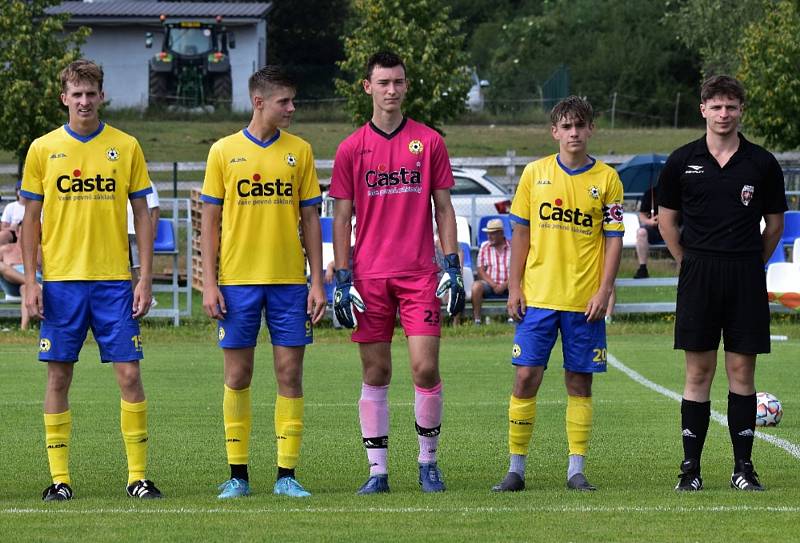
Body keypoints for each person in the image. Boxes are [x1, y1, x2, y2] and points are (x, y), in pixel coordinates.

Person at [20, 59, 159, 501]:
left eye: (90, 93)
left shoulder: (126, 146)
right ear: (64, 98)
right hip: (61, 282)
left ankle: (137, 477)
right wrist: (30, 282)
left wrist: (145, 277)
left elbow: (143, 211)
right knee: (58, 377)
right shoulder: (43, 149)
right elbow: (30, 219)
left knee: (129, 375)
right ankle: (59, 481)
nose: (83, 101)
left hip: (114, 281)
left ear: (102, 96)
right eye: (76, 93)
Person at [329, 51, 465, 494]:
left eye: (399, 82)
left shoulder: (429, 142)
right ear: (367, 87)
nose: (392, 89)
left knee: (425, 368)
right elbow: (342, 216)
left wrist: (453, 265)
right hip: (368, 278)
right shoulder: (351, 148)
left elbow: (444, 208)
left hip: (419, 275)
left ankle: (428, 463)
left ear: (406, 86)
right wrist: (342, 276)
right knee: (376, 372)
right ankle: (378, 472)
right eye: (383, 82)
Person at [200, 65, 326, 499]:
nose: (292, 108)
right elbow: (210, 222)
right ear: (259, 102)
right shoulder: (223, 152)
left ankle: (286, 475)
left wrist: (317, 281)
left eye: (293, 101)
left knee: (290, 374)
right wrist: (209, 282)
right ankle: (238, 475)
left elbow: (311, 218)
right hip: (236, 283)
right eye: (284, 102)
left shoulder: (301, 152)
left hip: (290, 282)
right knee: (237, 376)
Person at [658, 75, 787, 492]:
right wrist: (688, 262)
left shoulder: (762, 162)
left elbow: (774, 225)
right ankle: (690, 470)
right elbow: (666, 221)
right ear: (703, 110)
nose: (724, 114)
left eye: (731, 106)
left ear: (740, 110)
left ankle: (743, 469)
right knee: (698, 371)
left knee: (740, 371)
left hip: (745, 274)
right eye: (716, 106)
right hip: (699, 273)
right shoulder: (681, 160)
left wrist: (751, 264)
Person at [492, 96, 624, 493]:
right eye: (566, 126)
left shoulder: (608, 180)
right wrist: (514, 287)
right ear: (554, 132)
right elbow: (520, 233)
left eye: (580, 126)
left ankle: (576, 470)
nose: (574, 133)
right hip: (538, 298)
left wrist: (605, 289)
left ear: (591, 130)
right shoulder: (534, 174)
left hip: (585, 303)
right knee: (525, 377)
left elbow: (614, 241)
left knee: (579, 383)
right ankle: (516, 469)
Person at [0, 222, 42, 329]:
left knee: (25, 288)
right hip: (11, 282)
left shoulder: (40, 250)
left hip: (35, 281)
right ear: (17, 233)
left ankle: (24, 328)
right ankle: (31, 283)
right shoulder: (5, 249)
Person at [472, 218, 510, 324]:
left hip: (509, 283)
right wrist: (493, 285)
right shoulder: (484, 246)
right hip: (490, 284)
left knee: (517, 284)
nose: (489, 236)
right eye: (488, 233)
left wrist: (504, 285)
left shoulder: (513, 247)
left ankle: (512, 317)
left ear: (501, 233)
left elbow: (519, 269)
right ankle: (477, 320)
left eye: (492, 233)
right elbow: (480, 270)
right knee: (476, 287)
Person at [633, 184, 662, 279]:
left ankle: (685, 269)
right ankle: (642, 268)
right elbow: (642, 215)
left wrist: (664, 218)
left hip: (675, 228)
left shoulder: (678, 192)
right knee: (641, 232)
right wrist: (649, 221)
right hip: (655, 230)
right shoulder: (650, 193)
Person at [0, 181, 25, 246]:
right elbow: (3, 227)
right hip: (13, 232)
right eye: (21, 189)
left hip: (30, 232)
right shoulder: (10, 206)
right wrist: (13, 228)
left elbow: (41, 227)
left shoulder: (36, 207)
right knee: (2, 236)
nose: (23, 192)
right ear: (17, 192)